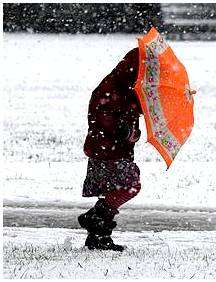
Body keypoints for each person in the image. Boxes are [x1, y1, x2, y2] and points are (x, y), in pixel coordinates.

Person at [78, 47, 141, 251]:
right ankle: (95, 217)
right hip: (105, 150)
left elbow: (130, 118)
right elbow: (100, 115)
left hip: (116, 150)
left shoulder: (131, 90)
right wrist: (123, 131)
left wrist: (134, 133)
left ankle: (98, 235)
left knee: (113, 189)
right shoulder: (112, 87)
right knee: (130, 185)